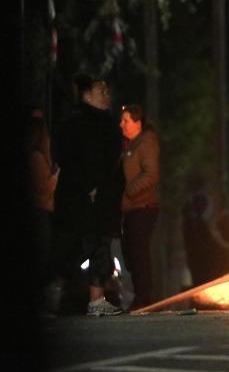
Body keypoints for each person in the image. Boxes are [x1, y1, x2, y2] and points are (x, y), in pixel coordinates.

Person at [51, 75, 125, 316]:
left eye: (106, 89)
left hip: (102, 198)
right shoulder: (73, 123)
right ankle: (52, 295)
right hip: (77, 196)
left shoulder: (108, 124)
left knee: (100, 247)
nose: (106, 94)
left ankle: (96, 298)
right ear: (86, 95)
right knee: (70, 247)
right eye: (99, 90)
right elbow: (65, 155)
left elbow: (113, 160)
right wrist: (87, 184)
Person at [118, 104, 160, 310]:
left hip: (143, 206)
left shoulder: (146, 143)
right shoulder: (130, 144)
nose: (121, 124)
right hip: (131, 207)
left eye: (126, 121)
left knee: (139, 252)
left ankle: (144, 298)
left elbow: (151, 174)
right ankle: (141, 295)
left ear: (138, 123)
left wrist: (129, 191)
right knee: (130, 252)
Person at [27, 113, 59, 302]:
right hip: (41, 210)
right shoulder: (37, 157)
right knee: (43, 256)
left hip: (42, 210)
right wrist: (55, 176)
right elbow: (44, 188)